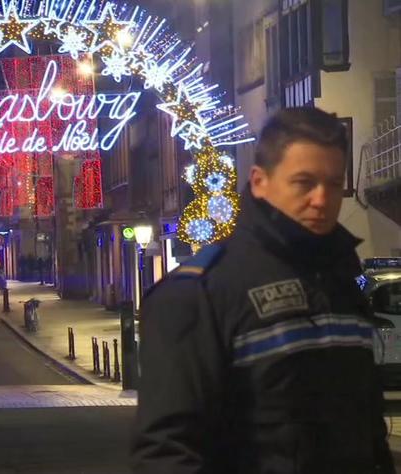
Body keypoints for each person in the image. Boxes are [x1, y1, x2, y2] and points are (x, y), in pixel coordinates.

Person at [131, 107, 394, 474]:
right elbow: (167, 453)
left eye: (333, 184)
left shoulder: (340, 279)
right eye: (304, 183)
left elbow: (367, 425)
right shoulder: (201, 292)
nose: (322, 199)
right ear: (259, 181)